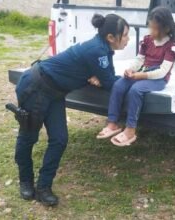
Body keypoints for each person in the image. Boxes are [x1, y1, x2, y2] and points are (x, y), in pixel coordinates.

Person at [14, 14, 129, 206]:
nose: (127, 39)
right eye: (124, 35)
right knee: (28, 137)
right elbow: (111, 83)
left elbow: (105, 78)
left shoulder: (102, 49)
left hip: (56, 92)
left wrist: (100, 78)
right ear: (111, 37)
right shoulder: (98, 51)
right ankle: (25, 181)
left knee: (59, 139)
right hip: (35, 86)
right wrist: (136, 78)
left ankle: (43, 187)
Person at [96, 7, 175, 146]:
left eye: (155, 29)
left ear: (166, 28)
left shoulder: (171, 46)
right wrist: (130, 69)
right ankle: (112, 123)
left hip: (158, 79)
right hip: (142, 72)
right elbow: (139, 59)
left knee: (136, 90)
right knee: (119, 85)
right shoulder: (147, 40)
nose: (151, 32)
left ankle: (130, 130)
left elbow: (163, 71)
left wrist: (141, 76)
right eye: (150, 27)